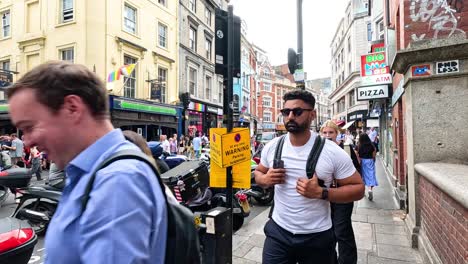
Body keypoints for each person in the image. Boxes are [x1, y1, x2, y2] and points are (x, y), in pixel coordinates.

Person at [7, 61, 167, 264]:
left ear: (72, 108)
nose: (27, 140)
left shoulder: (118, 181)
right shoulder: (90, 173)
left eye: (30, 126)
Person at [254, 90, 364, 264]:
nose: (290, 116)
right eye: (286, 112)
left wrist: (322, 193)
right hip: (278, 233)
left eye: (297, 112)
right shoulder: (273, 146)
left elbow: (358, 189)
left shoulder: (332, 151)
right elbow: (258, 173)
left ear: (312, 115)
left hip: (317, 237)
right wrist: (265, 180)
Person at [320, 120, 360, 264]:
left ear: (337, 134)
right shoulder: (318, 151)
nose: (327, 135)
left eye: (331, 132)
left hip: (343, 197)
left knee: (342, 230)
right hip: (324, 197)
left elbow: (357, 172)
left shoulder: (346, 149)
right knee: (328, 232)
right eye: (324, 132)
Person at [356, 133, 378, 201]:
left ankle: (363, 191)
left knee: (363, 176)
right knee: (371, 175)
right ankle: (370, 189)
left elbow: (356, 153)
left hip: (362, 161)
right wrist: (373, 160)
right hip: (370, 160)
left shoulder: (359, 145)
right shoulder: (372, 145)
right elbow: (374, 153)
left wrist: (358, 159)